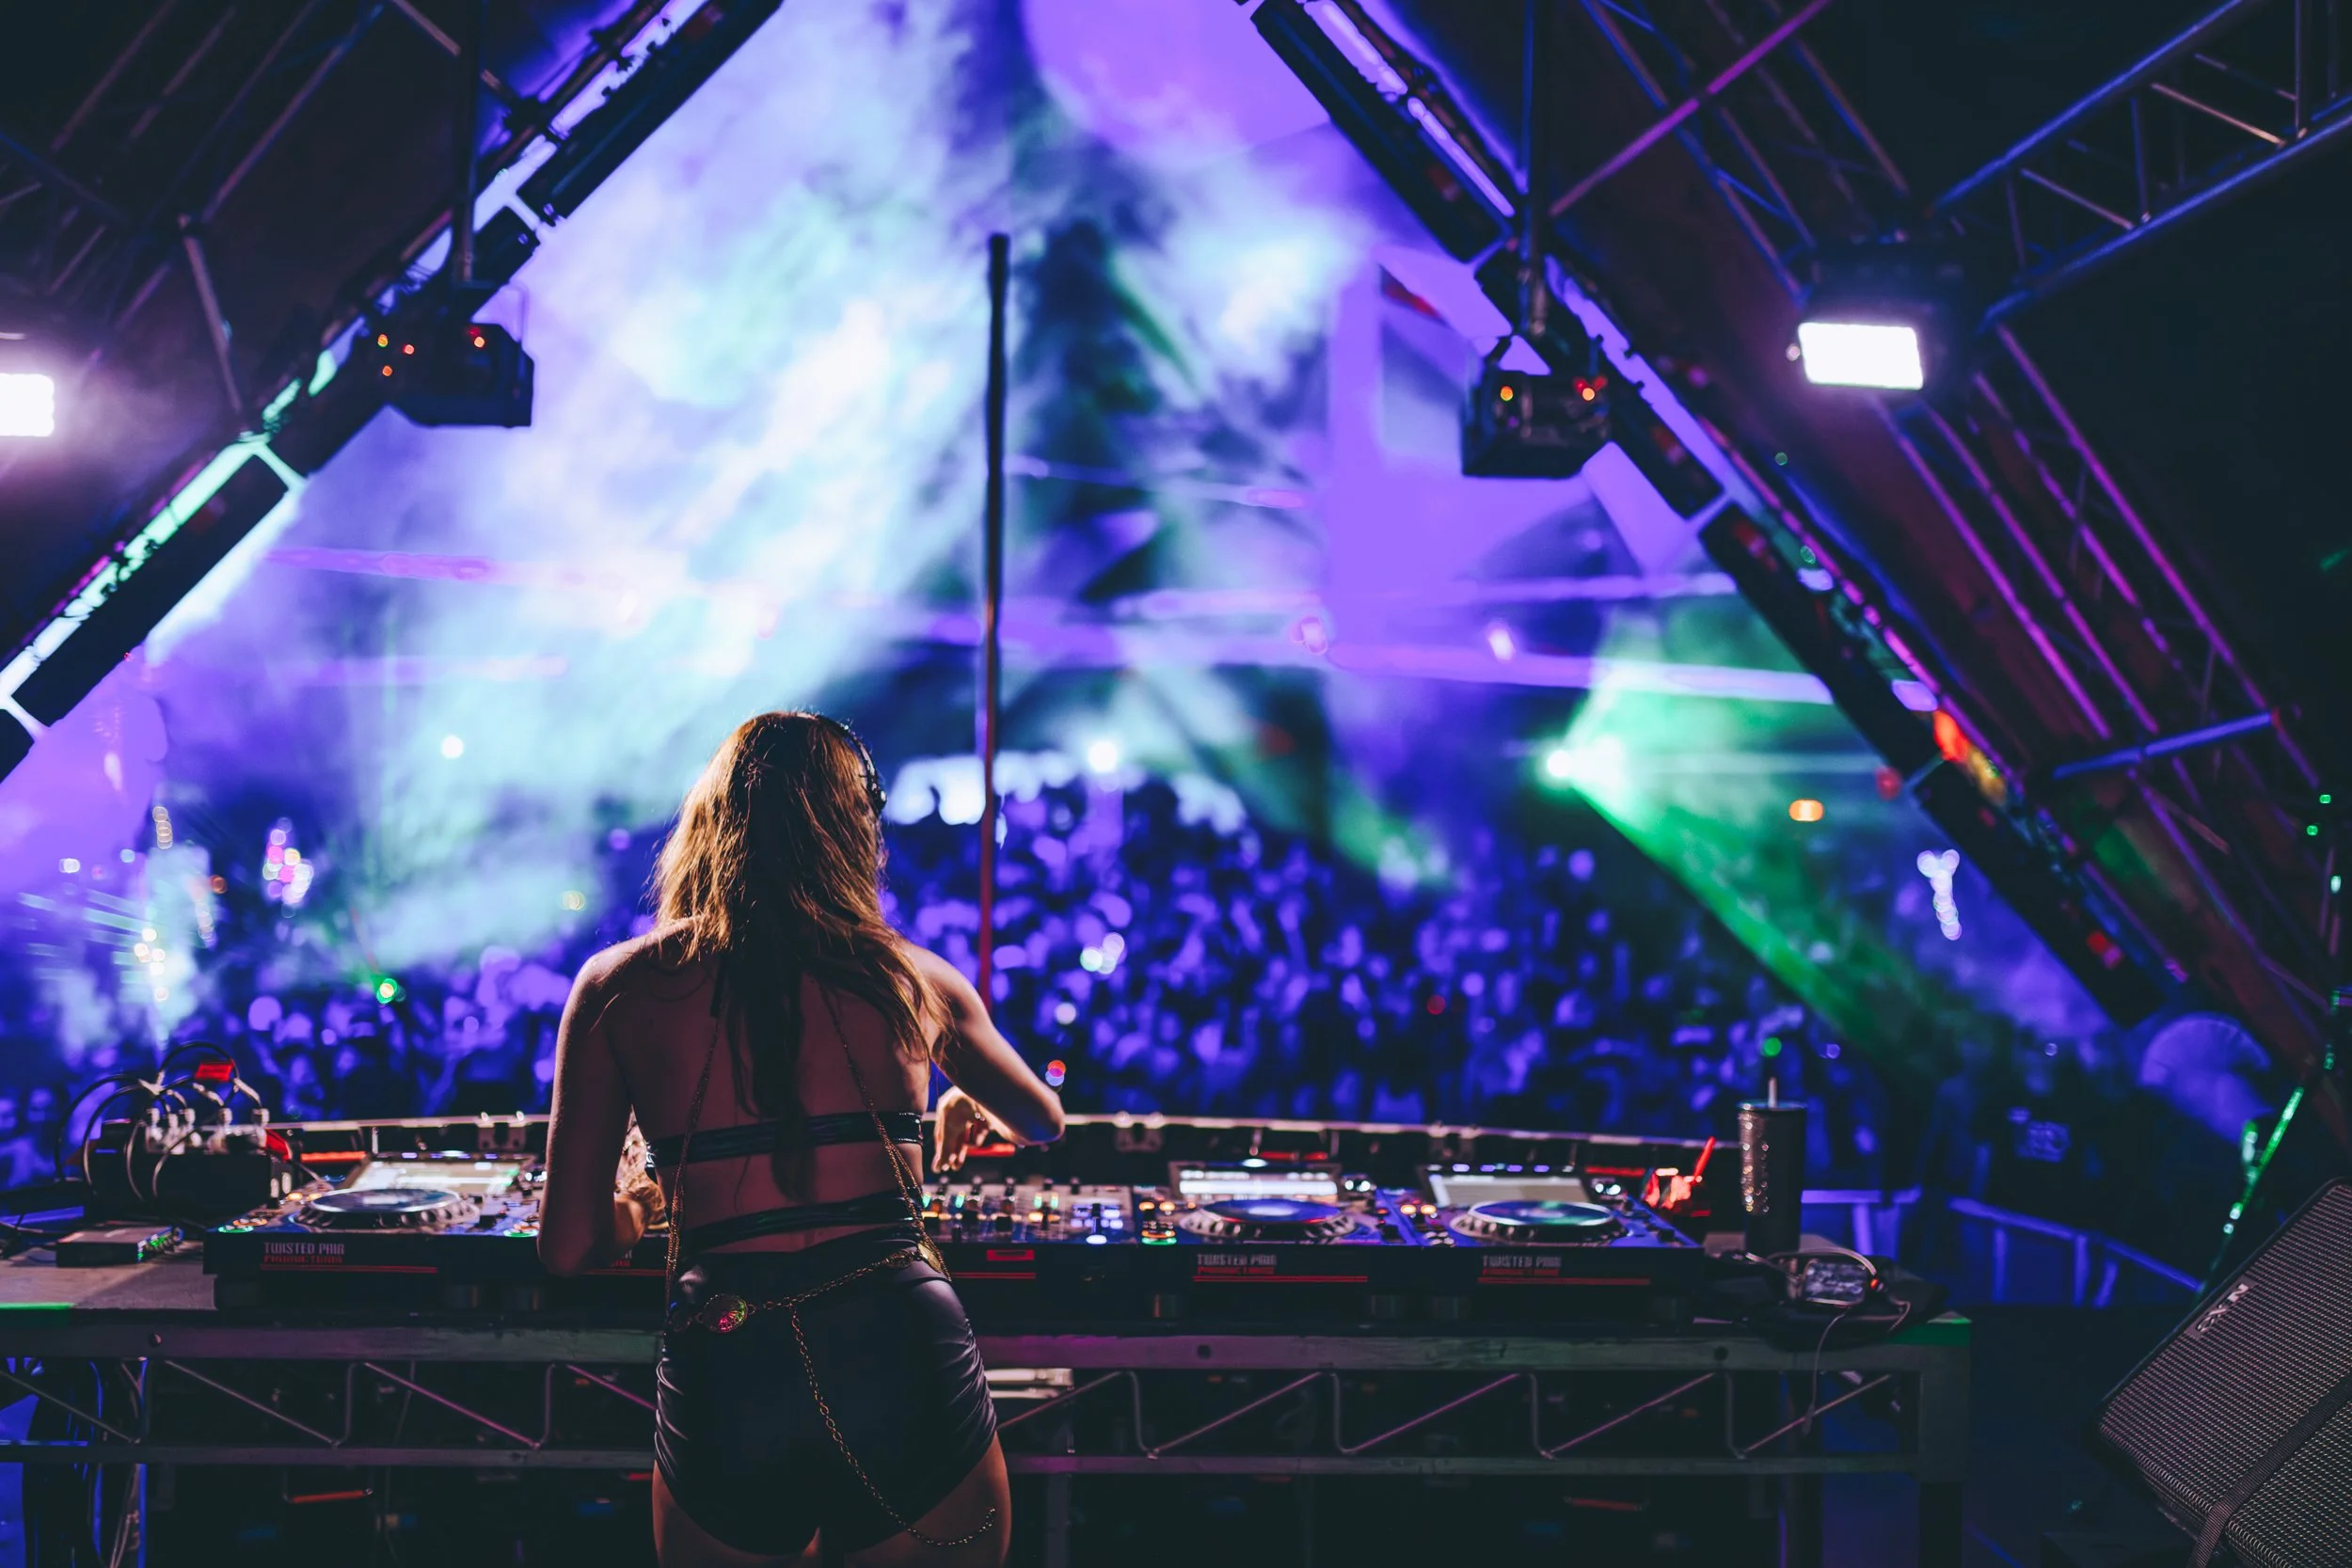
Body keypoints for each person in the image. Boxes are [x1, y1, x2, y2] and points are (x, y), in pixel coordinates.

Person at [538, 712, 1064, 1567]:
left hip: (730, 1349)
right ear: (857, 827)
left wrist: (638, 1203)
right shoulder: (910, 977)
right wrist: (973, 1109)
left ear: (709, 824)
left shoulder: (617, 988)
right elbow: (1044, 1118)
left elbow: (567, 1249)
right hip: (899, 1340)